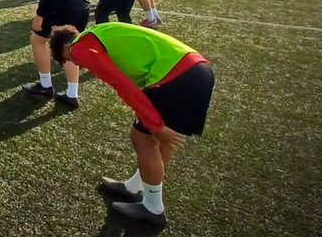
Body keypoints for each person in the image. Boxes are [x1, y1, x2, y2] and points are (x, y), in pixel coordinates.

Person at [50, 23, 215, 226]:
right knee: (156, 139)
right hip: (197, 70)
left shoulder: (80, 47)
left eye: (68, 60)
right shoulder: (97, 32)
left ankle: (153, 207)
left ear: (66, 47)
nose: (77, 64)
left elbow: (122, 83)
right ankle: (136, 187)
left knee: (142, 137)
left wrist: (155, 125)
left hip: (178, 78)